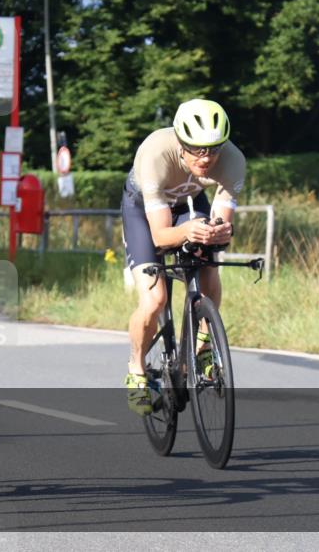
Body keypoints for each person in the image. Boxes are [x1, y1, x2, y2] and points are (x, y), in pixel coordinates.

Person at [121, 99, 246, 415]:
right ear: (180, 143)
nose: (206, 158)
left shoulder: (233, 161)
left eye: (213, 149)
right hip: (143, 210)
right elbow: (161, 236)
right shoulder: (154, 155)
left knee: (209, 262)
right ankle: (136, 369)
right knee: (155, 300)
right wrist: (190, 231)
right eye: (196, 149)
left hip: (190, 203)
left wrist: (219, 233)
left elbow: (223, 222)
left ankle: (203, 346)